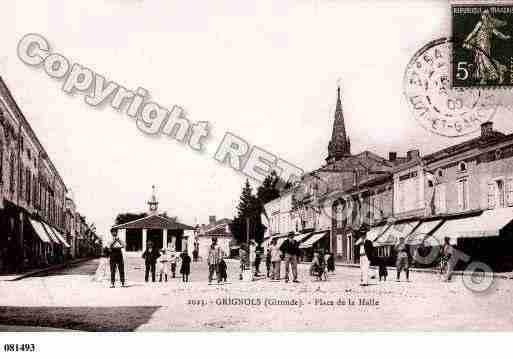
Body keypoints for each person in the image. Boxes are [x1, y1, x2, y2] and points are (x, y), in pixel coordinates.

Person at [463, 9, 511, 85]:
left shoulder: (490, 25)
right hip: (478, 42)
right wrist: (466, 40)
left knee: (485, 60)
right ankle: (484, 78)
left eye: (486, 15)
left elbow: (497, 33)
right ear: (482, 16)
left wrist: (505, 37)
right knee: (480, 60)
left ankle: (496, 73)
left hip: (485, 44)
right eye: (483, 14)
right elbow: (473, 33)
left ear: (488, 16)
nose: (484, 16)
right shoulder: (480, 23)